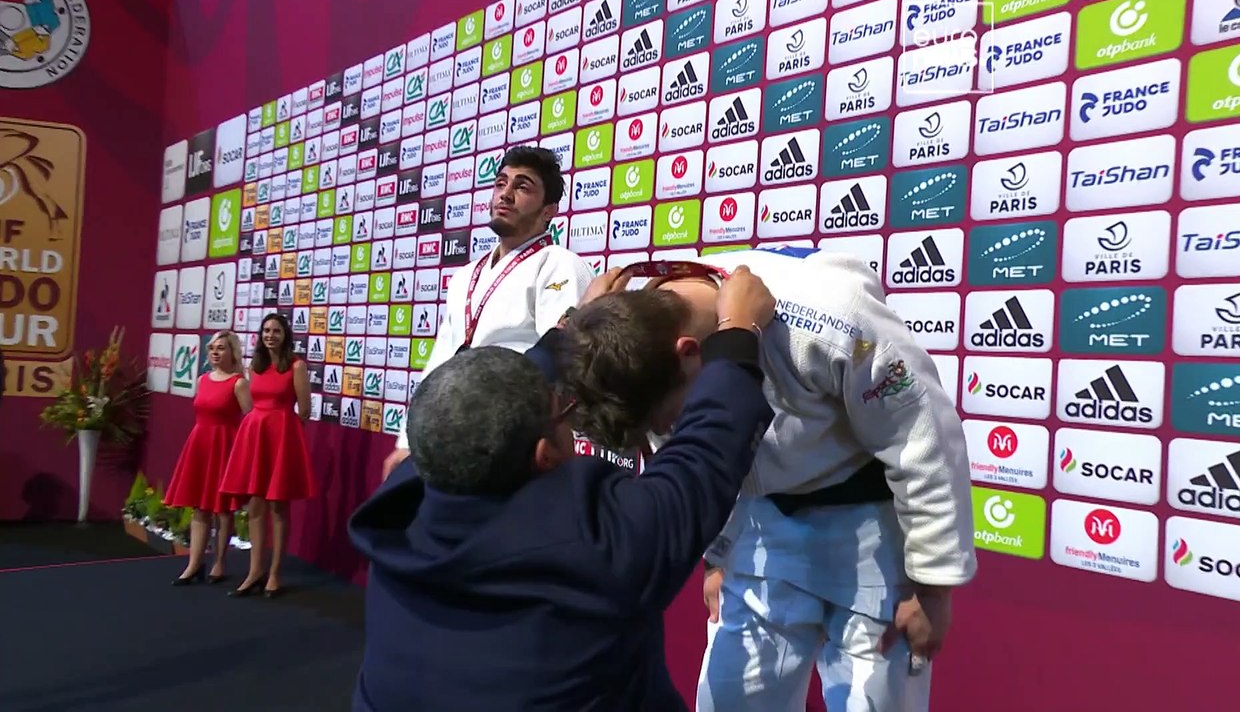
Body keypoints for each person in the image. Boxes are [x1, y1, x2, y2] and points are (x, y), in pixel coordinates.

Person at [557, 248, 977, 712]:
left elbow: (922, 439)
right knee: (730, 700)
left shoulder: (830, 316)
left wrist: (933, 586)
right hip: (760, 527)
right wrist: (717, 555)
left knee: (874, 702)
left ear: (689, 354)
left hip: (868, 529)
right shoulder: (635, 346)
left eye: (670, 419)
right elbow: (696, 464)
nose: (670, 430)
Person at [347, 266, 777, 712]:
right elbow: (707, 448)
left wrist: (573, 326)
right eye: (563, 411)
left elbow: (505, 386)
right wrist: (737, 333)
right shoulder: (600, 548)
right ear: (544, 455)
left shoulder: (410, 490)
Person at [380, 145, 593, 479]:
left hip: (516, 439)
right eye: (500, 183)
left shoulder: (559, 264)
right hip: (452, 431)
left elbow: (562, 362)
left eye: (522, 187)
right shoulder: (466, 274)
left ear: (549, 209)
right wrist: (408, 440)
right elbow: (440, 360)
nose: (505, 194)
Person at [220, 313, 316, 598]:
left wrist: (287, 437)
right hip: (255, 437)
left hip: (282, 438)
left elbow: (305, 409)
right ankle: (254, 571)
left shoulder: (296, 366)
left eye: (275, 330)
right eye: (265, 330)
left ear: (285, 334)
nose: (270, 335)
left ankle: (274, 573)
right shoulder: (256, 366)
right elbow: (252, 403)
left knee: (278, 507)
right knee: (255, 506)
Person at [164, 331, 251, 585]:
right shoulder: (203, 380)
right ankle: (193, 564)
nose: (214, 352)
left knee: (222, 510)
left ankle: (219, 563)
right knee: (200, 508)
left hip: (226, 448)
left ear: (232, 352)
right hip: (200, 446)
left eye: (221, 348)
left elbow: (249, 420)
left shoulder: (238, 383)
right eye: (212, 347)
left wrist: (241, 452)